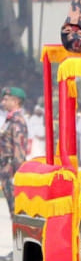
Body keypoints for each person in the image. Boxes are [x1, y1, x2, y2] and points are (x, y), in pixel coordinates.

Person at [0, 87, 28, 226]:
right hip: (6, 168)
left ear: (15, 101)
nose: (3, 102)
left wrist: (17, 174)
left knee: (16, 208)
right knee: (12, 208)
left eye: (6, 99)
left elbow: (19, 149)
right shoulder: (10, 120)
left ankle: (19, 235)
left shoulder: (17, 121)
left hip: (12, 169)